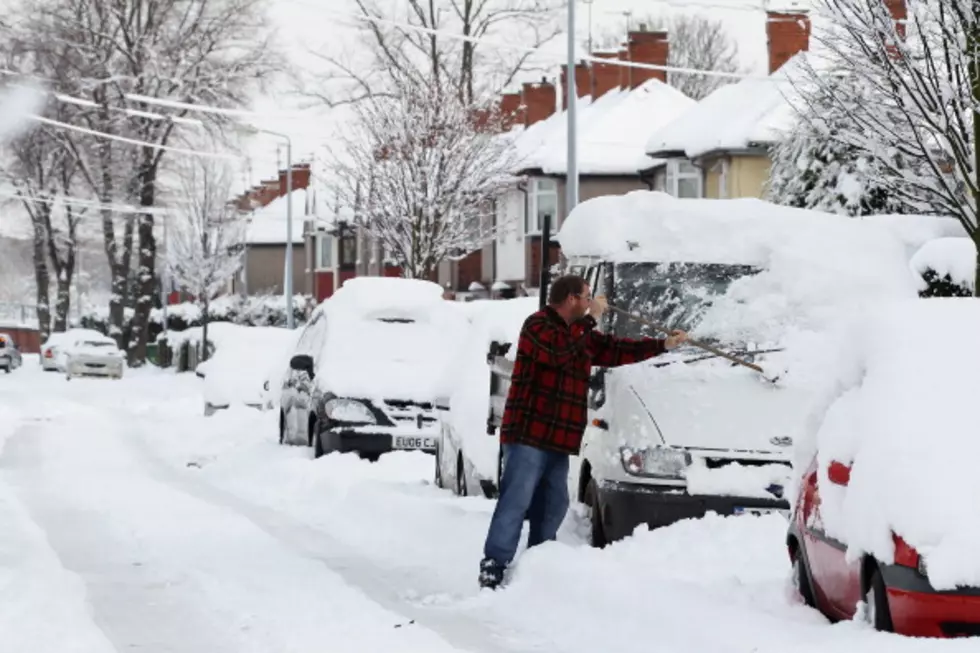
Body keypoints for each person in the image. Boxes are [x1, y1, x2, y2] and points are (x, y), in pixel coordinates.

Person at [478, 274, 688, 590]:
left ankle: (536, 564)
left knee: (554, 505)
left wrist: (663, 345)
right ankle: (493, 565)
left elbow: (617, 350)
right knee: (516, 500)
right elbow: (558, 354)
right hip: (527, 434)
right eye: (588, 296)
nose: (592, 302)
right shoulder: (537, 326)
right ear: (572, 298)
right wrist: (591, 320)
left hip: (558, 440)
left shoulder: (581, 336)